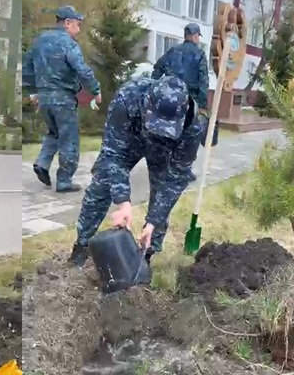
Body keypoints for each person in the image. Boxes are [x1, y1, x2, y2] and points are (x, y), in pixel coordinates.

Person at [68, 75, 203, 267]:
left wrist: (153, 221)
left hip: (163, 151)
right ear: (148, 102)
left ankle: (145, 255)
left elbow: (176, 178)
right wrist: (123, 201)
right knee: (102, 185)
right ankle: (81, 247)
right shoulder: (127, 97)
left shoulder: (192, 125)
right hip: (129, 141)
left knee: (161, 196)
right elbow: (113, 154)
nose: (159, 131)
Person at [23, 5, 101, 193]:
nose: (79, 29)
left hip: (43, 97)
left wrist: (32, 93)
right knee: (69, 138)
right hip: (63, 98)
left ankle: (42, 163)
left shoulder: (39, 41)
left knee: (54, 132)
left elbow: (27, 68)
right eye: (77, 24)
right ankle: (65, 180)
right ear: (67, 23)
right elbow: (81, 69)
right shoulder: (68, 43)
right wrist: (95, 90)